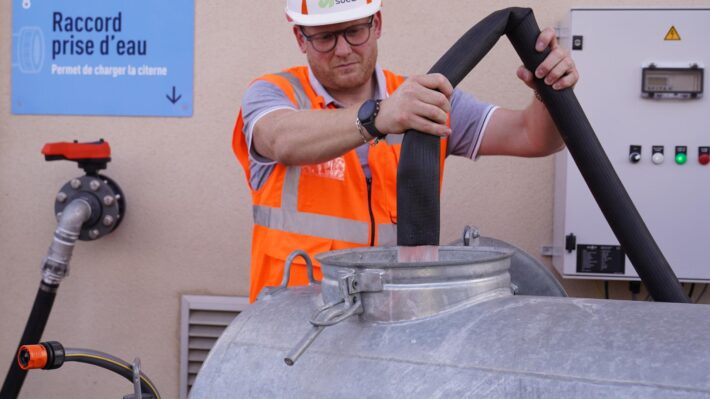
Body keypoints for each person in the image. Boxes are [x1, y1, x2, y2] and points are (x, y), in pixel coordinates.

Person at [233, 0, 579, 302]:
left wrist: (548, 91)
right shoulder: (274, 93)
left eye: (354, 31)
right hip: (291, 331)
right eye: (325, 37)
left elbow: (533, 137)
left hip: (389, 324)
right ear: (300, 38)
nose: (342, 50)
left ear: (377, 25)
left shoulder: (424, 99)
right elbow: (278, 138)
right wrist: (379, 117)